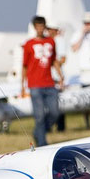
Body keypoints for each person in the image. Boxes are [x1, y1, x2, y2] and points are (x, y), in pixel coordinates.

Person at [20, 15, 63, 147]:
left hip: (49, 83)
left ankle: (38, 132)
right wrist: (22, 85)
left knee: (55, 112)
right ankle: (42, 143)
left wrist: (61, 76)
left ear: (44, 27)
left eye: (42, 26)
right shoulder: (29, 44)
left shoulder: (51, 42)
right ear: (34, 27)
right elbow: (25, 66)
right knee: (39, 116)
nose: (40, 29)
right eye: (37, 26)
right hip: (35, 85)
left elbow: (54, 60)